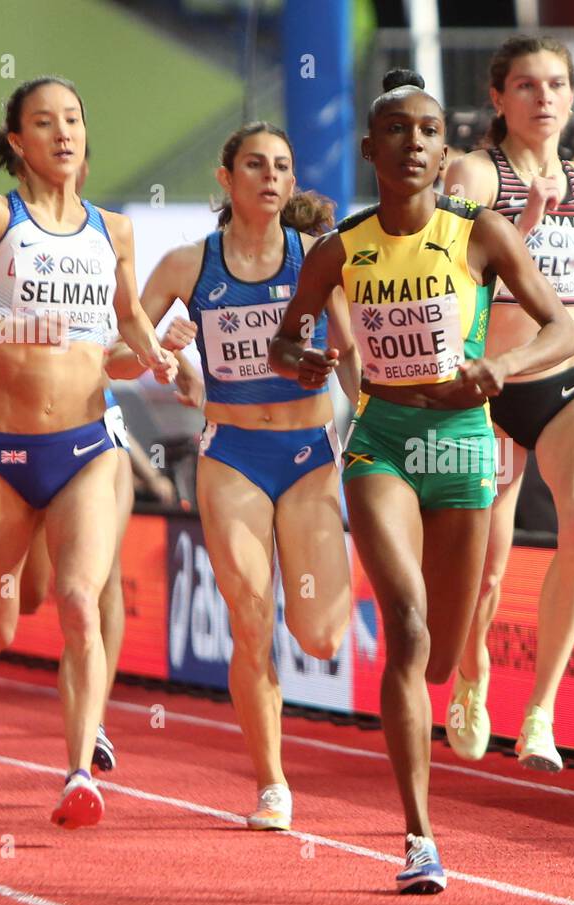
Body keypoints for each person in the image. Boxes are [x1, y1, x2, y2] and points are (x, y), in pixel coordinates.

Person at [269, 70, 574, 892]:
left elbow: (561, 330)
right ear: (371, 149)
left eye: (430, 131)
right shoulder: (343, 247)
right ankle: (419, 838)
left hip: (464, 447)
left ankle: (457, 678)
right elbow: (288, 342)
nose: (414, 144)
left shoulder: (480, 232)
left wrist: (499, 367)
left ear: (446, 150)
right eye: (398, 131)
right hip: (384, 442)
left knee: (437, 659)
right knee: (404, 628)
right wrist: (302, 357)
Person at [0, 76, 177, 828]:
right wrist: (5, 329)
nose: (63, 132)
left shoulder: (116, 230)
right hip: (0, 450)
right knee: (0, 630)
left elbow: (130, 324)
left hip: (89, 444)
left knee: (75, 600)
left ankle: (76, 774)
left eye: (73, 118)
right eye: (44, 121)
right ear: (18, 142)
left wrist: (168, 357)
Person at [139, 123, 358, 831]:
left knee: (322, 637)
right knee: (251, 618)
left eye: (282, 167)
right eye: (255, 165)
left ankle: (312, 613)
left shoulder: (323, 259)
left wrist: (380, 426)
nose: (270, 176)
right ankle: (272, 785)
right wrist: (159, 349)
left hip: (307, 459)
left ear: (292, 184)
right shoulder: (184, 267)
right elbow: (119, 354)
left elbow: (353, 356)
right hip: (232, 457)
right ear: (226, 179)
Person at [444, 35, 574, 772]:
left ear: (573, 97)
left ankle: (542, 710)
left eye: (555, 85)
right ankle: (472, 675)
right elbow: (450, 274)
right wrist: (525, 226)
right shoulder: (475, 173)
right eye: (526, 85)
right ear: (498, 99)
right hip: (492, 387)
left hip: (570, 380)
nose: (542, 98)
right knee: (487, 568)